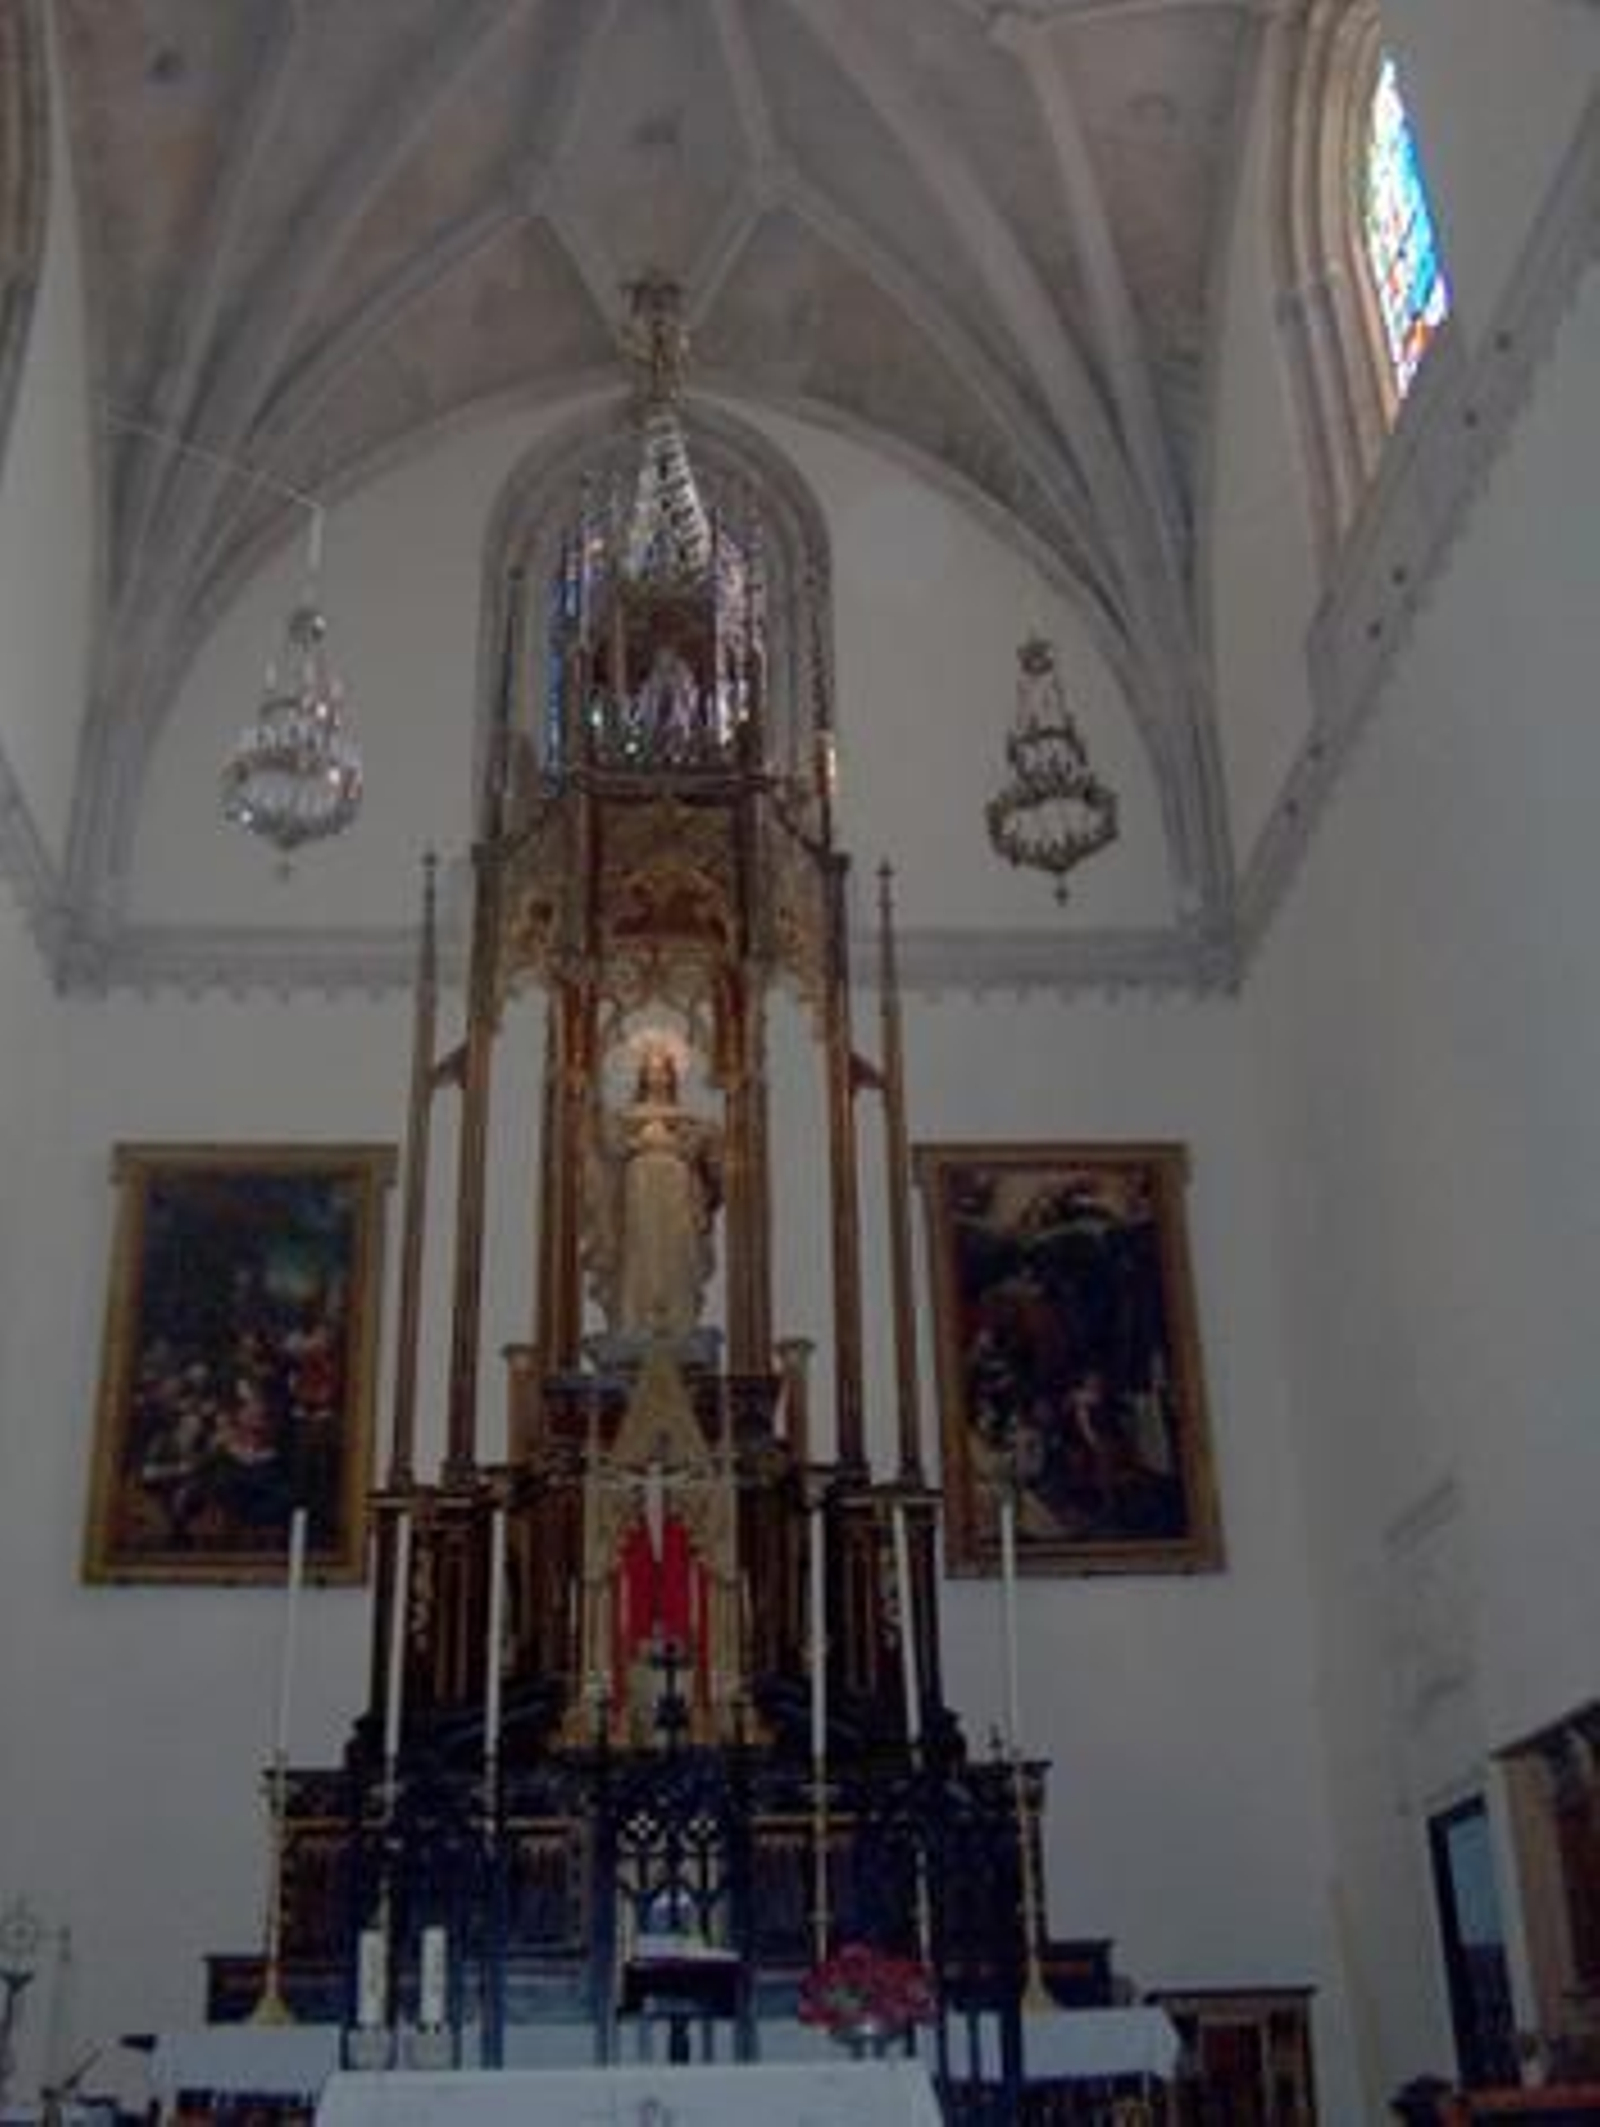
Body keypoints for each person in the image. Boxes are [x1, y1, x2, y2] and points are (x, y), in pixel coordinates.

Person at [587, 1041, 722, 1340]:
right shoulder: (626, 1117)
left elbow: (708, 1160)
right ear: (642, 1075)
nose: (656, 1077)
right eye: (650, 1070)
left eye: (662, 1071)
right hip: (640, 1188)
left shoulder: (688, 1119)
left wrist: (695, 1142)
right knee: (640, 1251)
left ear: (672, 1076)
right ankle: (634, 1323)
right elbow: (611, 1148)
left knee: (678, 1252)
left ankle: (679, 1324)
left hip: (677, 1189)